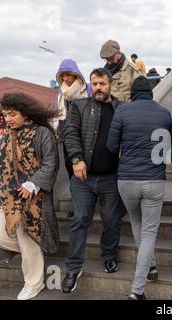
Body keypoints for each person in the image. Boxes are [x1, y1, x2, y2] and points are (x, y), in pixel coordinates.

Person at [0, 92, 60, 300]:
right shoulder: (6, 135)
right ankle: (35, 254)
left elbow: (51, 164)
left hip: (33, 200)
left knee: (28, 242)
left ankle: (33, 284)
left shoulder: (42, 133)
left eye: (12, 114)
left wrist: (33, 184)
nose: (7, 119)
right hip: (7, 198)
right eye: (5, 115)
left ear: (25, 114)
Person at [107, 76, 172, 300]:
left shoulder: (123, 111)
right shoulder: (163, 113)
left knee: (136, 221)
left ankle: (151, 267)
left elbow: (111, 145)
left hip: (126, 179)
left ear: (132, 93)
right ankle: (137, 290)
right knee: (149, 232)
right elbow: (167, 144)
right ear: (151, 92)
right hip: (154, 179)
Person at [61, 68, 126, 293]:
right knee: (79, 219)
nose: (98, 87)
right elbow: (69, 134)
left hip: (112, 178)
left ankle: (108, 255)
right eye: (94, 84)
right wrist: (77, 159)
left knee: (111, 219)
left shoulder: (121, 109)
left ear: (111, 85)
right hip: (83, 177)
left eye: (102, 84)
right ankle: (73, 267)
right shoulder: (79, 107)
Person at [53, 59, 92, 219]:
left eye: (69, 75)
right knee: (72, 174)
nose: (66, 79)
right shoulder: (60, 94)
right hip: (68, 138)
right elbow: (57, 117)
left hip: (87, 136)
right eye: (63, 76)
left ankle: (89, 204)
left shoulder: (87, 90)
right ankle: (78, 207)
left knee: (89, 172)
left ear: (76, 75)